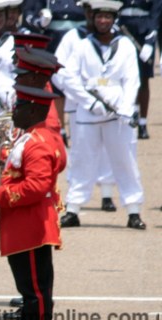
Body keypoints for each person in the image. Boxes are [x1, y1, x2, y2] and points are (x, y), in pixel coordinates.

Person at [0, 85, 65, 320]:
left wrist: (0, 195)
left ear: (34, 111)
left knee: (34, 293)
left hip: (30, 228)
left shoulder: (37, 141)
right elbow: (20, 162)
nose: (14, 111)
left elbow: (37, 185)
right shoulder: (33, 136)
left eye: (20, 107)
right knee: (32, 290)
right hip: (24, 225)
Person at [55, 0, 147, 230]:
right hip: (89, 113)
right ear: (92, 19)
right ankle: (73, 208)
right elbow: (69, 78)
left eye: (107, 17)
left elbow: (131, 79)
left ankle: (133, 210)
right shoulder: (83, 46)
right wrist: (89, 102)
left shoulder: (124, 45)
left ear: (114, 19)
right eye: (99, 17)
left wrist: (126, 108)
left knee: (125, 161)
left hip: (118, 115)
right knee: (82, 161)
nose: (103, 21)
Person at [118, 0, 162, 139]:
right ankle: (127, 115)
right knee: (121, 77)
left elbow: (155, 15)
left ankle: (142, 122)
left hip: (143, 33)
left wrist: (150, 41)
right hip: (123, 30)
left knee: (143, 79)